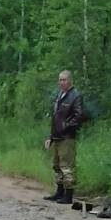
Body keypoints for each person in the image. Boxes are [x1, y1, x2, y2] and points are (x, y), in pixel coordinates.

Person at [43, 69, 85, 205]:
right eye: (60, 80)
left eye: (64, 80)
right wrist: (51, 136)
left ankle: (68, 195)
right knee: (56, 165)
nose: (61, 82)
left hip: (67, 137)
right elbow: (55, 118)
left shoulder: (75, 96)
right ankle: (59, 192)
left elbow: (79, 116)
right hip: (56, 136)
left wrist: (65, 127)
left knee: (67, 166)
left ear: (70, 80)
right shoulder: (60, 95)